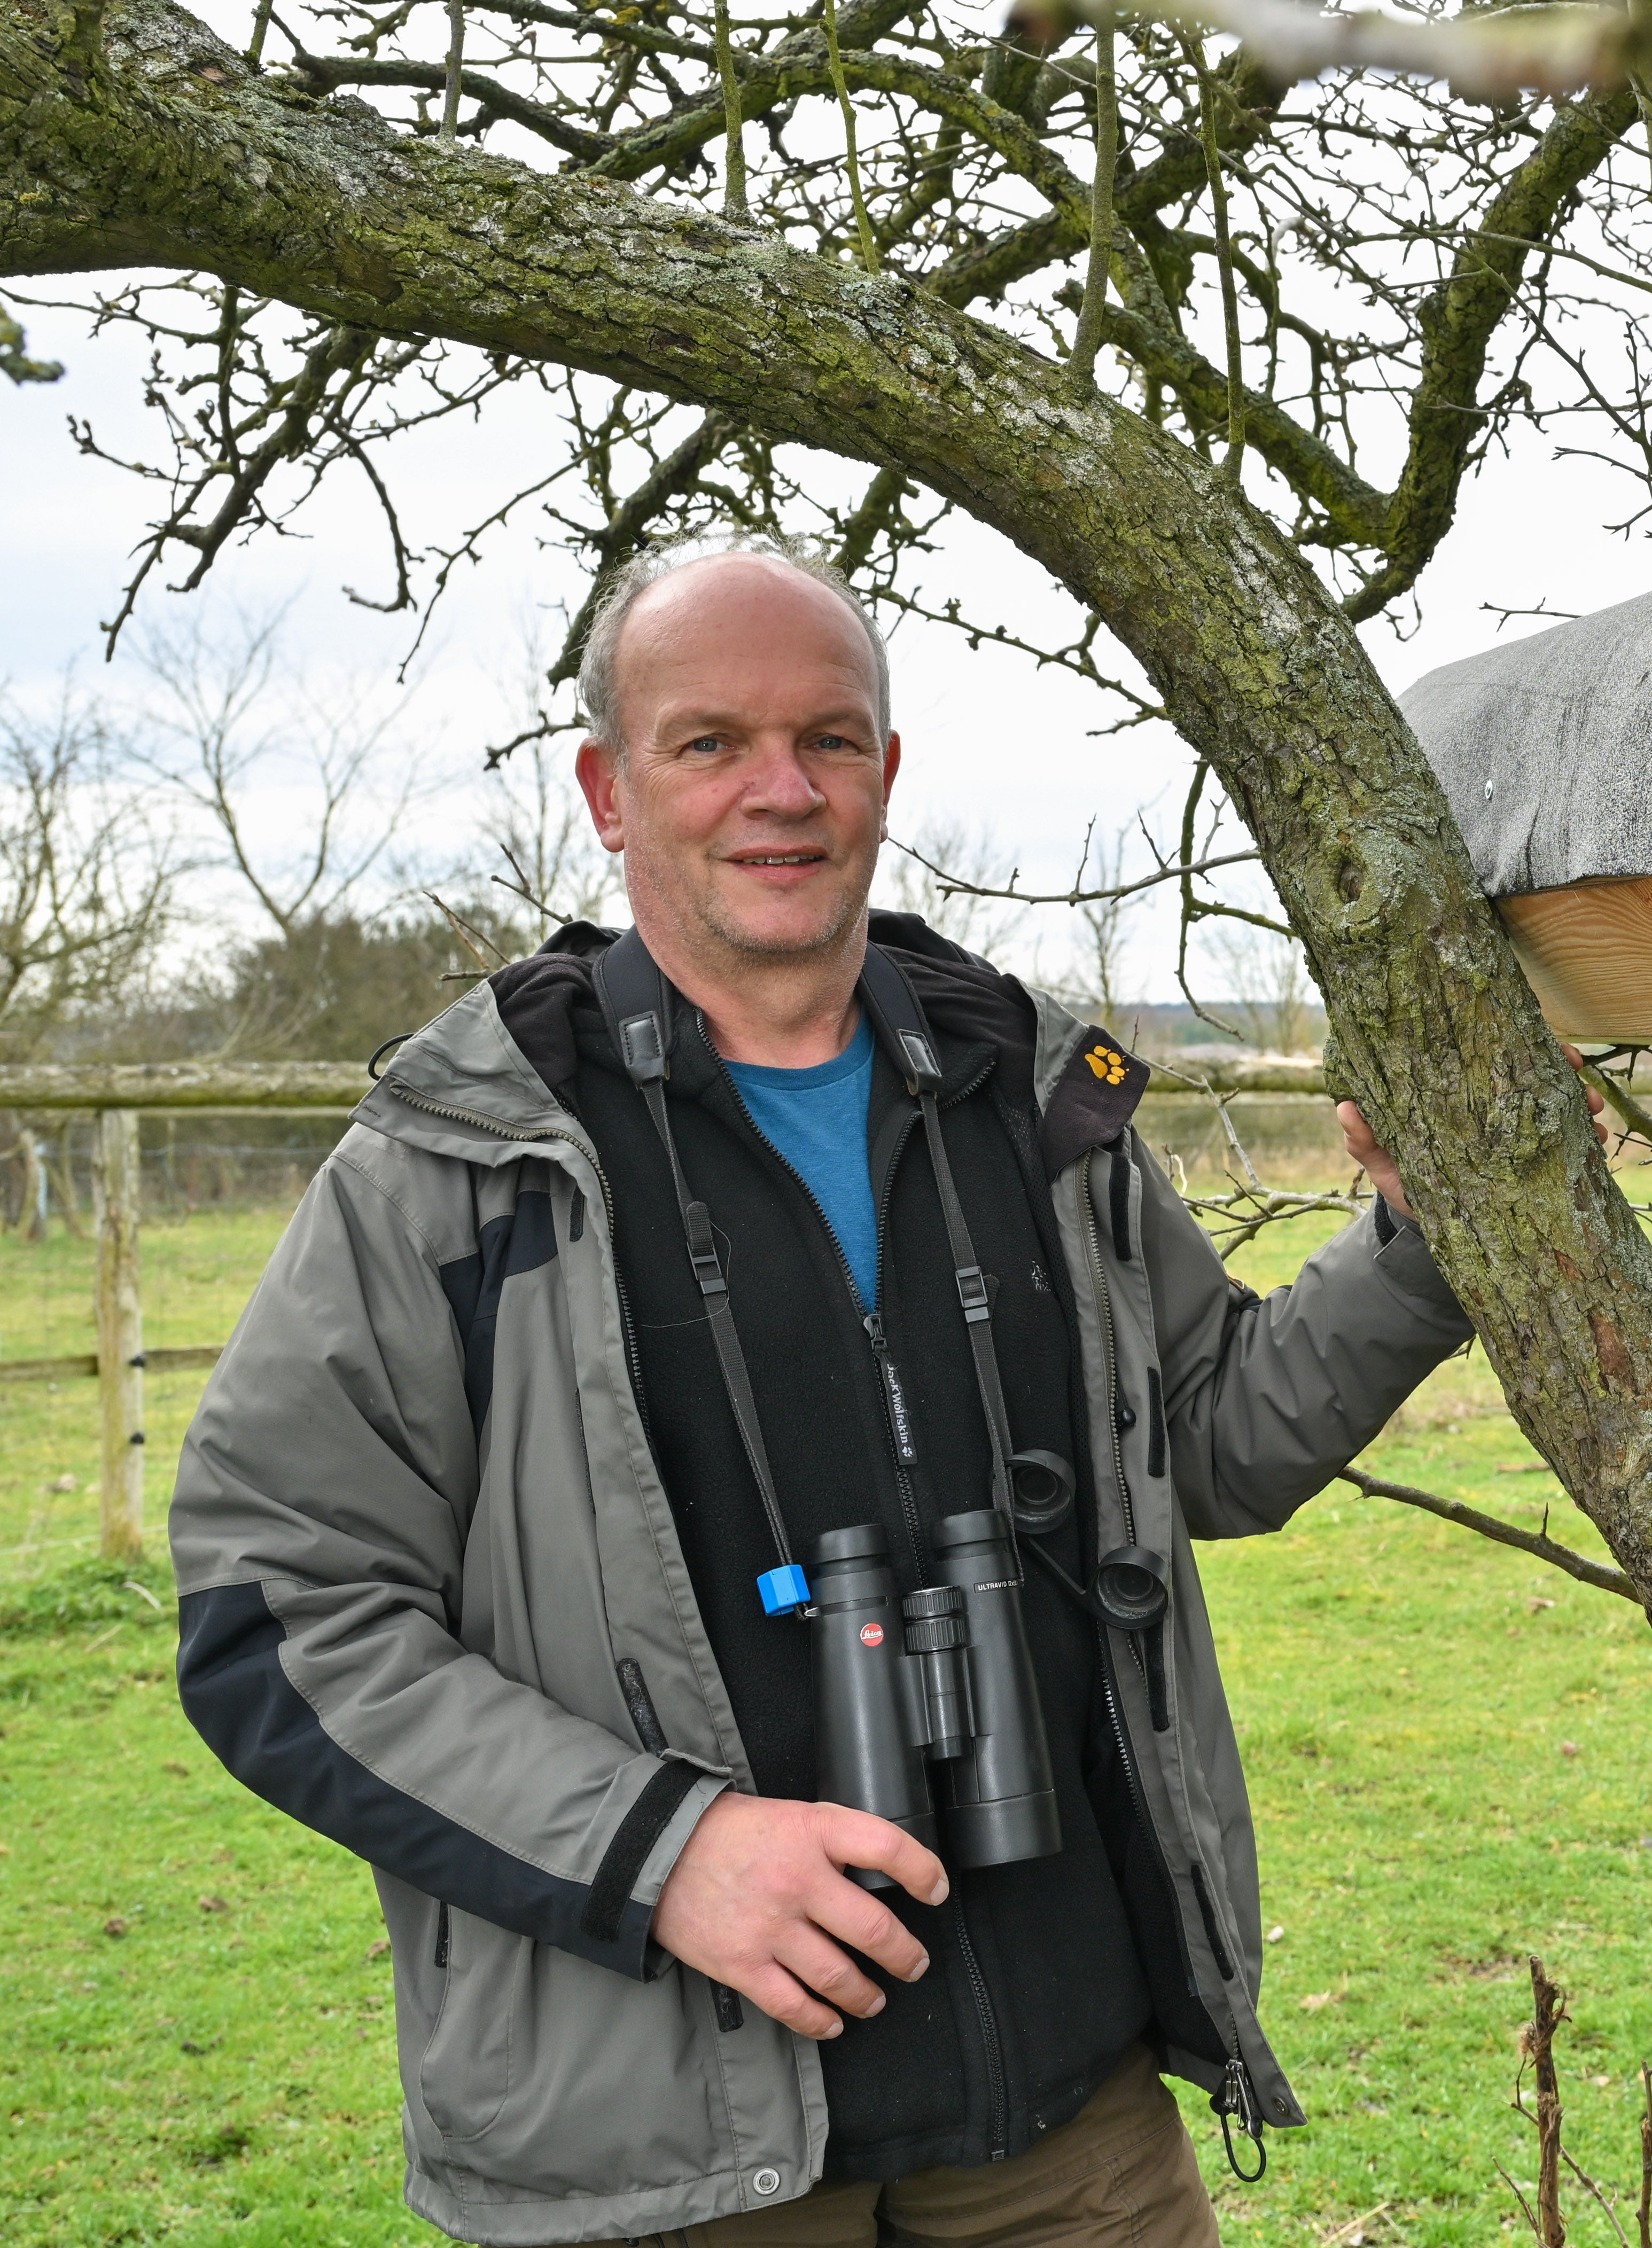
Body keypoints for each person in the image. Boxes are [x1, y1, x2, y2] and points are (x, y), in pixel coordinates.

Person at [172, 540, 1484, 2246]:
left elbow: (1213, 1441)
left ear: (886, 770)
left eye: (831, 739)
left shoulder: (1026, 1092)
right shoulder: (464, 1161)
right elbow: (277, 1612)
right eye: (708, 742)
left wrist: (1424, 1244)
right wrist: (664, 1853)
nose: (779, 793)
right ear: (608, 789)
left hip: (1066, 2116)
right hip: (675, 2142)